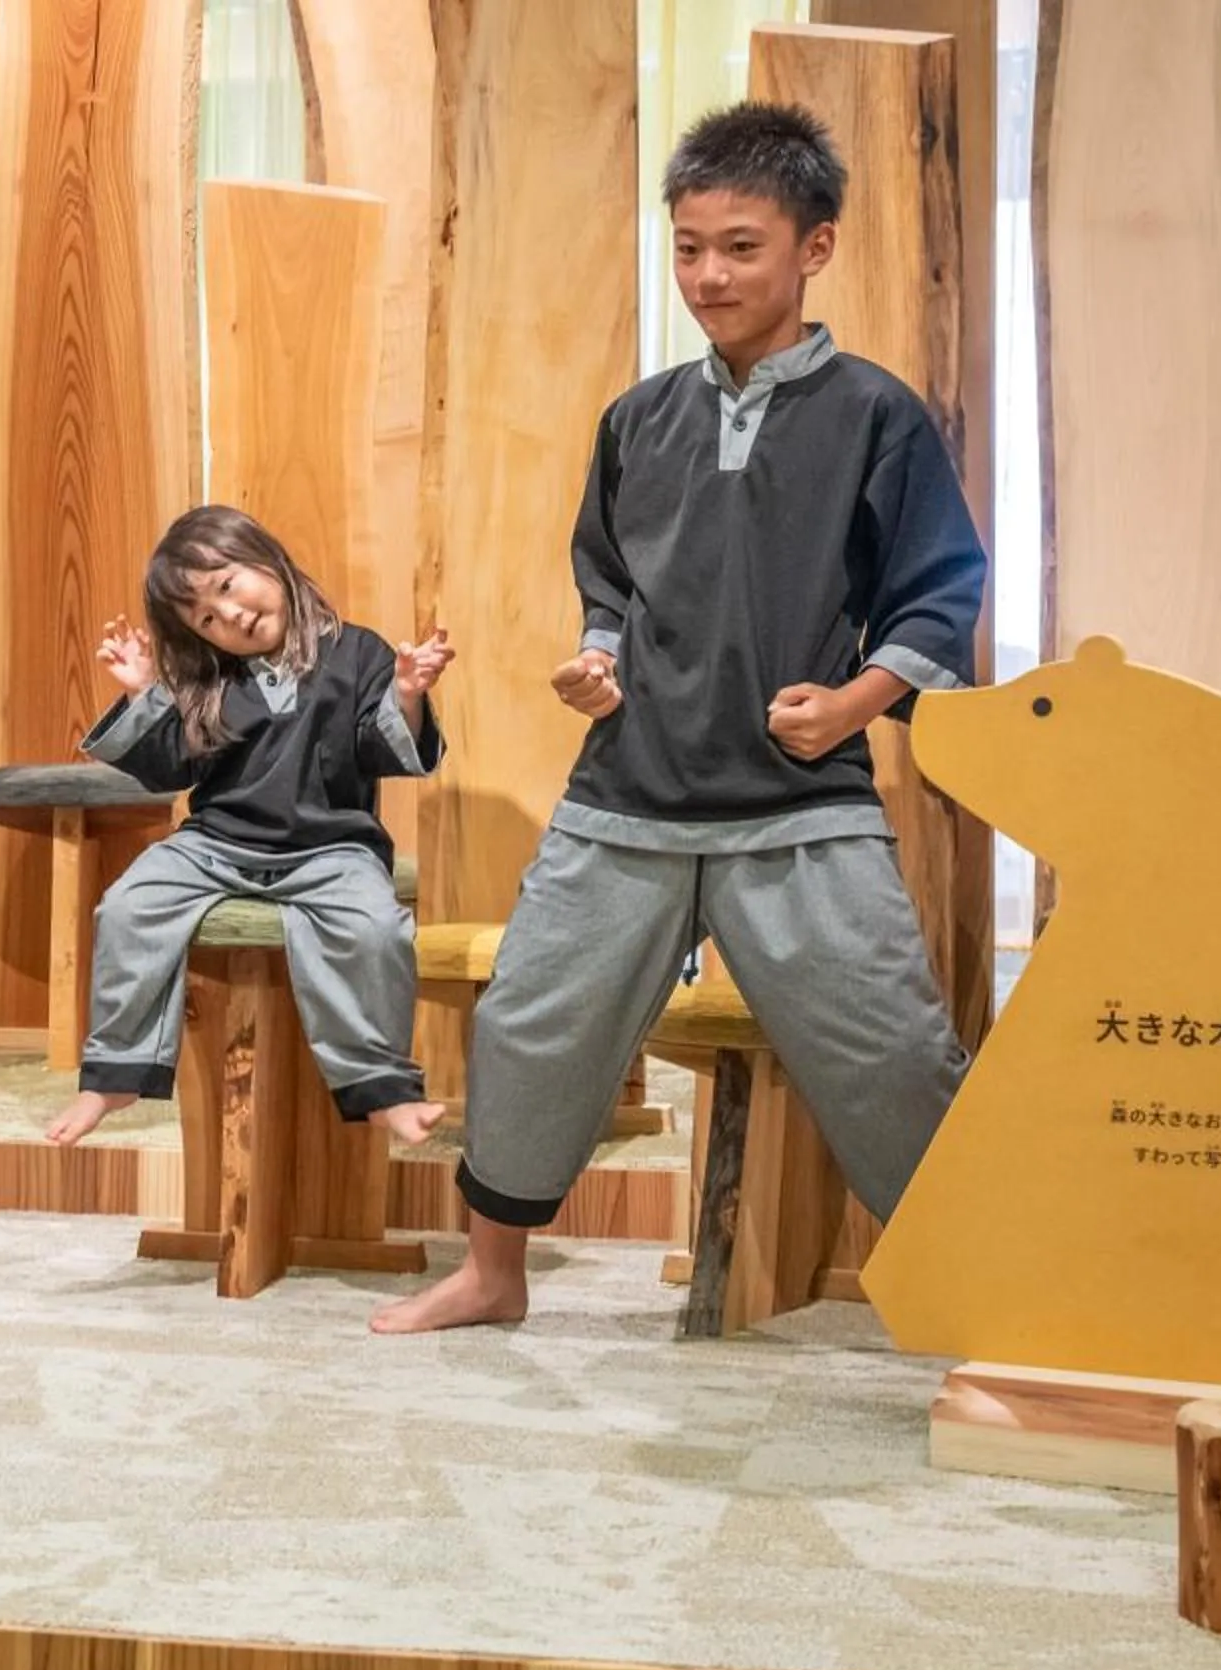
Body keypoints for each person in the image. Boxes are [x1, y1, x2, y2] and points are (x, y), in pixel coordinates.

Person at [372, 101, 985, 1336]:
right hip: (627, 797)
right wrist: (595, 662)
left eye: (742, 246)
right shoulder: (637, 417)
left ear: (815, 247)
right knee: (531, 1021)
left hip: (801, 804)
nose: (710, 274)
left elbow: (941, 592)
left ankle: (987, 1297)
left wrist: (855, 704)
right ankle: (494, 1276)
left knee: (895, 1056)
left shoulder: (876, 415)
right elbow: (610, 578)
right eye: (690, 246)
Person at [48, 504, 455, 1148]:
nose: (229, 616)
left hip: (331, 848)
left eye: (229, 586)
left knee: (377, 929)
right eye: (206, 617)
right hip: (215, 845)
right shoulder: (206, 678)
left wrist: (406, 693)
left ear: (268, 559)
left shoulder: (357, 652)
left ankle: (384, 1088)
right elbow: (168, 769)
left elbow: (384, 749)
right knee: (127, 906)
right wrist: (144, 693)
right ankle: (116, 1071)